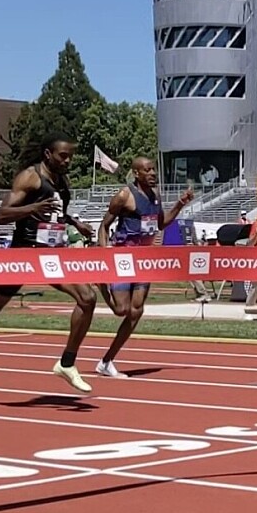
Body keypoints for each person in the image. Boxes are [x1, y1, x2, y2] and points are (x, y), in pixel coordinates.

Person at [0, 135, 99, 393]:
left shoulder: (62, 181)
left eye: (70, 156)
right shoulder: (30, 177)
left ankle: (67, 363)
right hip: (24, 255)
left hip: (51, 255)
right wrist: (31, 208)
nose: (68, 161)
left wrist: (75, 223)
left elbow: (55, 212)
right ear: (48, 154)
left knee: (88, 298)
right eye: (63, 156)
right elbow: (2, 215)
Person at [95, 157, 195, 377]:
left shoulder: (155, 194)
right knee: (121, 310)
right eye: (147, 170)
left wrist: (180, 204)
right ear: (136, 173)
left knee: (136, 311)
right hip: (123, 257)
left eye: (153, 170)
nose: (152, 173)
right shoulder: (125, 195)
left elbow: (161, 223)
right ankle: (101, 284)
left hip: (144, 259)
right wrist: (104, 255)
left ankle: (106, 361)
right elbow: (104, 225)